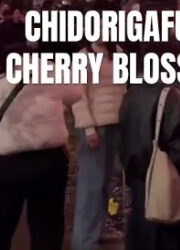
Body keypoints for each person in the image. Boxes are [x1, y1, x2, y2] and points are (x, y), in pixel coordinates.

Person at [0, 45, 83, 250]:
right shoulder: (52, 75)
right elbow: (76, 93)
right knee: (47, 227)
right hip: (49, 161)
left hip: (8, 163)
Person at [118, 45, 180, 250]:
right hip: (165, 188)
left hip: (140, 184)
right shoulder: (170, 98)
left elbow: (123, 142)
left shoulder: (131, 94)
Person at [70, 41, 126, 250]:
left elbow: (122, 88)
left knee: (105, 181)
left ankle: (98, 229)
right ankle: (84, 240)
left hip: (114, 124)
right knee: (90, 184)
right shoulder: (83, 56)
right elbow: (78, 96)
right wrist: (88, 128)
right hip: (95, 127)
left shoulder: (117, 52)